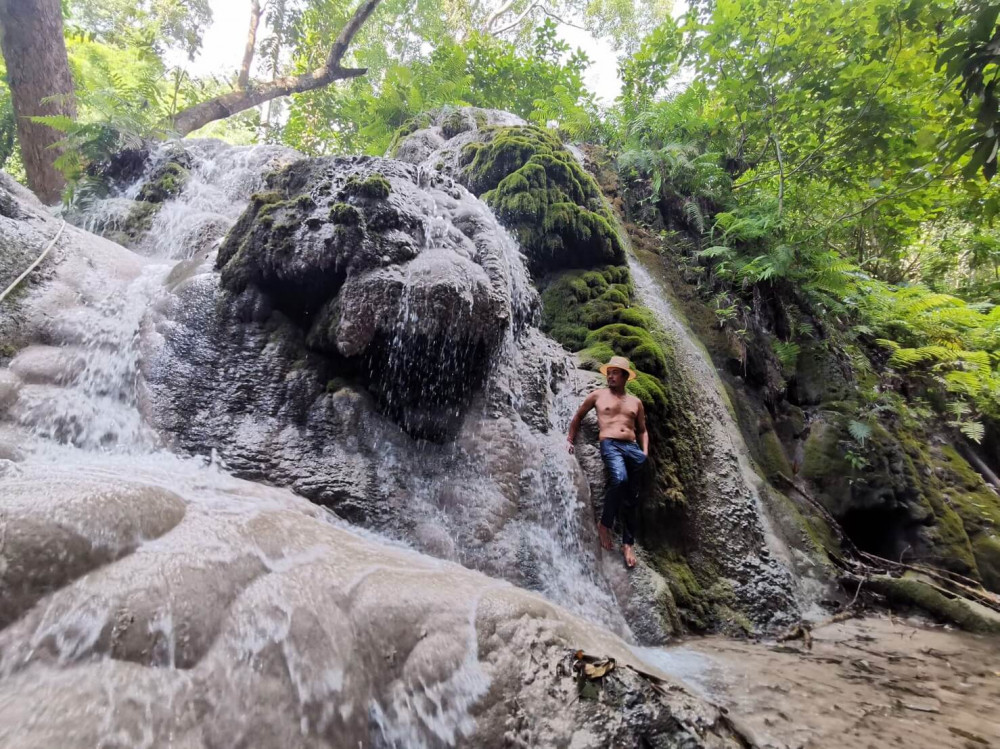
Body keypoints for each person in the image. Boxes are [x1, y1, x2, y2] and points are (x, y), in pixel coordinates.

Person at [566, 355, 648, 568]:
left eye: (615, 373)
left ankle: (628, 543)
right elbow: (578, 417)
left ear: (625, 377)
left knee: (633, 496)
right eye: (609, 373)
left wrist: (645, 452)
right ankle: (605, 524)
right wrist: (569, 439)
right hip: (610, 444)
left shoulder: (635, 402)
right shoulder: (597, 395)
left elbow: (643, 430)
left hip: (632, 448)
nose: (610, 376)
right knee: (619, 480)